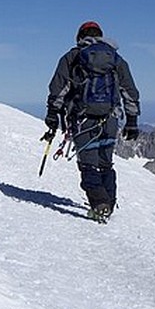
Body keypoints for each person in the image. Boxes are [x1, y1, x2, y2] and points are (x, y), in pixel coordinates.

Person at [43, 21, 141, 223]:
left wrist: (53, 115)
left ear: (80, 37)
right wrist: (132, 120)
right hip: (110, 119)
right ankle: (108, 204)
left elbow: (58, 89)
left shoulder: (72, 57)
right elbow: (129, 91)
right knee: (106, 164)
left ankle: (99, 204)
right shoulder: (115, 59)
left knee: (88, 166)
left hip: (83, 119)